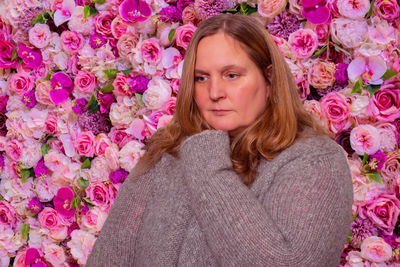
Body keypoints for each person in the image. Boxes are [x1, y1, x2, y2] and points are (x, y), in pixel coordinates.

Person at [86, 13, 354, 266]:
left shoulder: (315, 161)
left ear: (269, 79)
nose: (214, 92)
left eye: (231, 75)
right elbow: (111, 256)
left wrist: (208, 164)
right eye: (201, 78)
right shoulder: (168, 150)